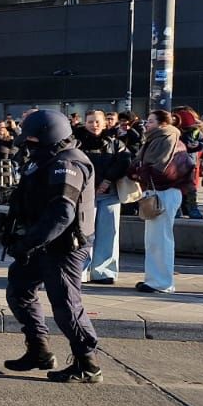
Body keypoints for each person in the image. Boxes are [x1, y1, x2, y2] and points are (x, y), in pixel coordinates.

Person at [0, 110, 105, 384]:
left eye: (32, 139)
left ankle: (87, 363)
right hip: (42, 242)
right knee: (20, 289)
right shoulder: (45, 158)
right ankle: (39, 350)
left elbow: (62, 214)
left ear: (49, 136)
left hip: (62, 246)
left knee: (66, 303)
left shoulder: (68, 164)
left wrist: (28, 243)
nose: (27, 144)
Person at [130, 110, 189, 294]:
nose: (146, 124)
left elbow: (160, 169)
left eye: (151, 121)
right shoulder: (157, 139)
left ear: (162, 123)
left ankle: (162, 282)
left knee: (160, 239)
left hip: (164, 191)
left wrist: (140, 171)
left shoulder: (167, 139)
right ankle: (155, 279)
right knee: (154, 239)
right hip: (159, 191)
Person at [72, 110, 132, 286]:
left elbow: (124, 162)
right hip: (83, 195)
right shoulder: (76, 143)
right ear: (85, 123)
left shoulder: (116, 143)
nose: (94, 125)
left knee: (109, 233)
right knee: (82, 233)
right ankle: (80, 270)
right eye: (90, 121)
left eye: (97, 121)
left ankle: (104, 272)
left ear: (105, 123)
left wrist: (107, 180)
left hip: (109, 193)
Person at [173, 106, 203, 219]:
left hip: (189, 162)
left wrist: (198, 145)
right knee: (177, 187)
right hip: (176, 163)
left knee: (189, 188)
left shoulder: (195, 131)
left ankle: (191, 209)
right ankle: (179, 209)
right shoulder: (174, 131)